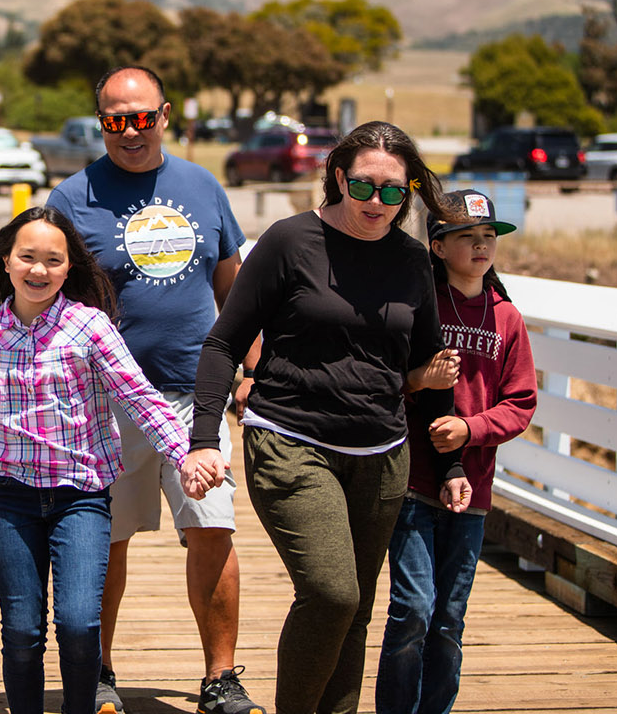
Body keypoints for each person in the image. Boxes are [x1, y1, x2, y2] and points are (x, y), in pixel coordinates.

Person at [0, 206, 201, 714]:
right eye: (27, 257)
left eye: (53, 260)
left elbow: (139, 397)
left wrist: (185, 454)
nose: (39, 270)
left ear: (70, 269)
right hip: (12, 501)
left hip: (82, 499)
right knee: (22, 629)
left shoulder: (89, 327)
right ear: (7, 261)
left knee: (77, 622)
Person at [187, 120, 459, 714]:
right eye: (364, 187)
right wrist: (203, 437)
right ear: (339, 178)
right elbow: (223, 344)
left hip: (383, 454)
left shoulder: (413, 261)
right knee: (333, 594)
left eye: (394, 191)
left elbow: (426, 362)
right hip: (290, 438)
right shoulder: (291, 241)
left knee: (357, 610)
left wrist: (452, 461)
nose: (377, 203)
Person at [44, 65, 263, 714]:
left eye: (141, 117)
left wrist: (253, 366)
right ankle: (100, 671)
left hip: (197, 395)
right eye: (115, 119)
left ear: (165, 115)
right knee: (104, 540)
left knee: (212, 528)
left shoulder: (202, 186)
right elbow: (46, 297)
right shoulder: (71, 197)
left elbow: (234, 288)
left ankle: (220, 678)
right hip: (105, 402)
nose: (129, 131)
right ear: (100, 119)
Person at [375, 190, 537, 714]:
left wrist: (471, 430)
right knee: (414, 610)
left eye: (489, 236)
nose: (482, 245)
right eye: (468, 236)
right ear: (438, 246)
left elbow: (521, 402)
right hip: (412, 481)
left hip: (473, 489)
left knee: (449, 618)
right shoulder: (420, 304)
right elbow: (383, 379)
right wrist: (418, 382)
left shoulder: (507, 319)